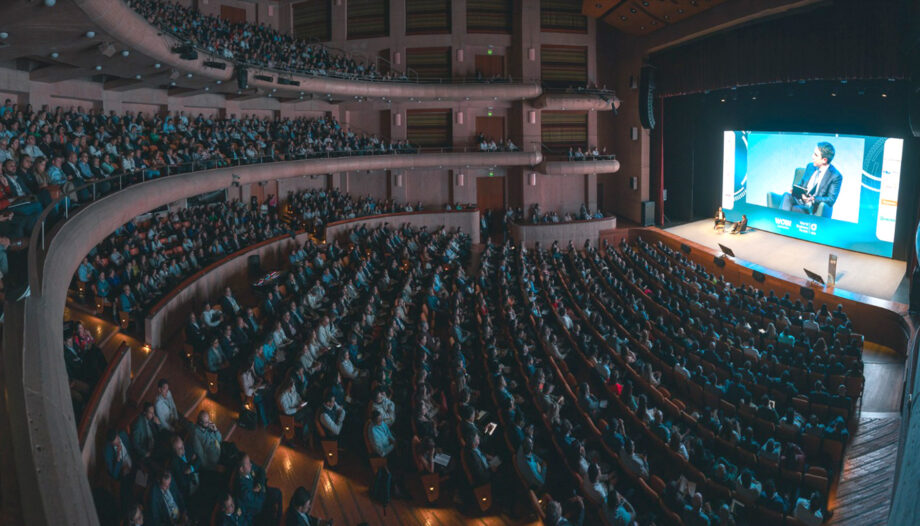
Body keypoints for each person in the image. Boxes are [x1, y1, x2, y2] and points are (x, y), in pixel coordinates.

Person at [780, 142, 842, 218]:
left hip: (813, 209)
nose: (812, 156)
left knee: (790, 209)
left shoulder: (835, 176)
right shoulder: (810, 167)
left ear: (824, 160)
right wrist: (795, 191)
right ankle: (783, 221)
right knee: (787, 195)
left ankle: (781, 223)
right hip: (800, 202)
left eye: (816, 155)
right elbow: (801, 185)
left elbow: (831, 199)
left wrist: (812, 199)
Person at [233, 453, 282, 525]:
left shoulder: (249, 468)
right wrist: (262, 489)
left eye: (249, 461)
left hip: (261, 493)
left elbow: (261, 470)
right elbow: (257, 502)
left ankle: (279, 521)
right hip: (258, 509)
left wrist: (259, 485)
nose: (251, 464)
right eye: (248, 463)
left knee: (278, 493)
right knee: (271, 518)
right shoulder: (242, 488)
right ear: (241, 469)